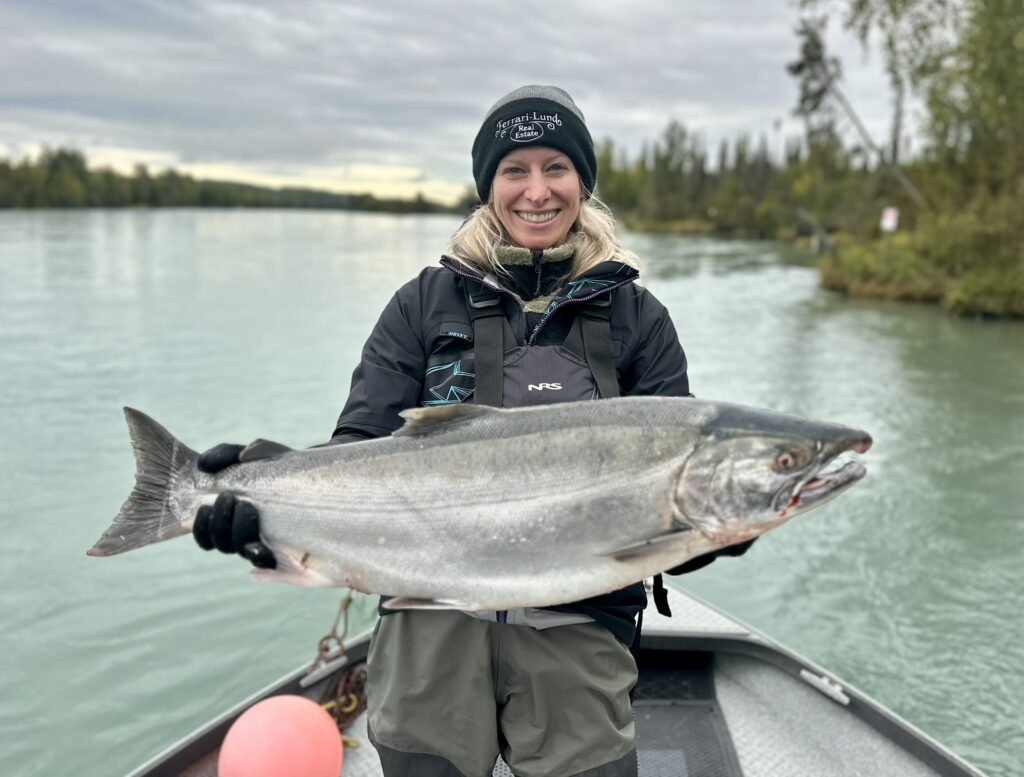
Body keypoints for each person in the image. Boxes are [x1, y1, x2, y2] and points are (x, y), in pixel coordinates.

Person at [193, 85, 753, 777]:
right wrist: (265, 505)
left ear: (583, 180)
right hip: (426, 637)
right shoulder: (422, 305)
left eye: (557, 167)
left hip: (579, 636)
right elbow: (357, 449)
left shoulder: (638, 318)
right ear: (488, 184)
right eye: (514, 170)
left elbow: (673, 502)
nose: (537, 191)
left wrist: (727, 526)